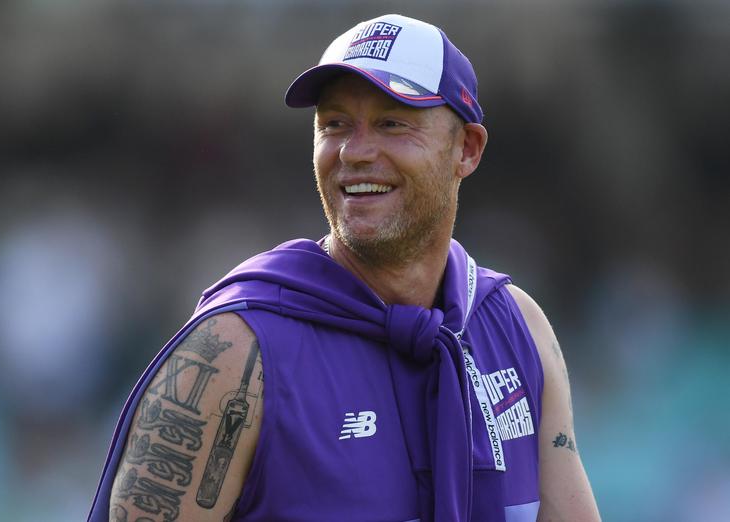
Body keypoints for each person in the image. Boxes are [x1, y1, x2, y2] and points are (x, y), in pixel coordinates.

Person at [88, 13, 600, 522]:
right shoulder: (236, 353)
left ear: (466, 149)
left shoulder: (516, 328)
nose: (355, 152)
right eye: (334, 124)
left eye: (392, 123)